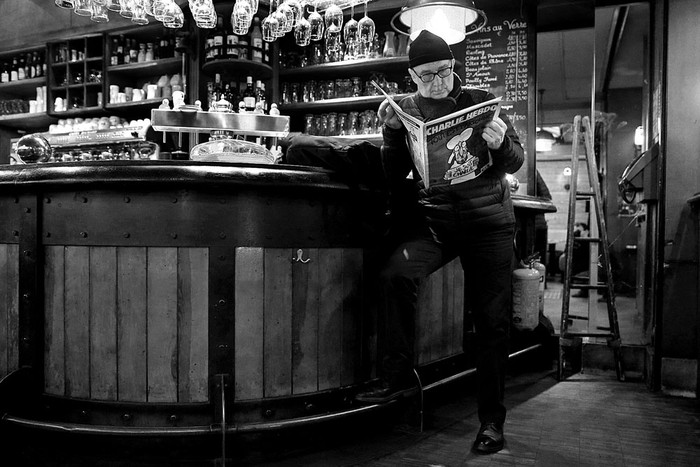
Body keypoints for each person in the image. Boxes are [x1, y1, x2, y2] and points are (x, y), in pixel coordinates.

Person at [354, 30, 524, 456]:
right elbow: (394, 175)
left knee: (491, 321)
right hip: (439, 226)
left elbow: (517, 159)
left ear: (454, 68)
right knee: (396, 275)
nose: (438, 82)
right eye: (428, 75)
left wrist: (501, 143)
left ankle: (491, 420)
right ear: (412, 75)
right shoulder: (405, 109)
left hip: (490, 227)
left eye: (445, 72)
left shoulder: (480, 99)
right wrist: (392, 135)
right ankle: (398, 383)